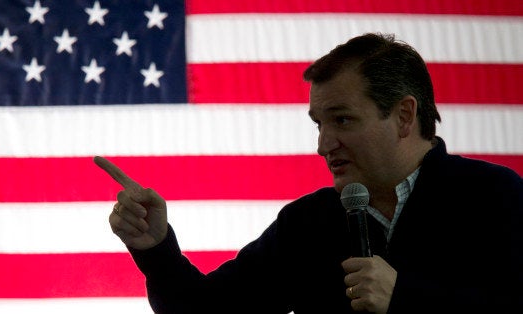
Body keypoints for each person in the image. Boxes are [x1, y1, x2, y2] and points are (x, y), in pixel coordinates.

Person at [94, 32, 523, 313]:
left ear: (404, 115)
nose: (323, 145)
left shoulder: (497, 198)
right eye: (319, 124)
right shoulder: (309, 222)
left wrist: (406, 298)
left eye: (343, 120)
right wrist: (155, 251)